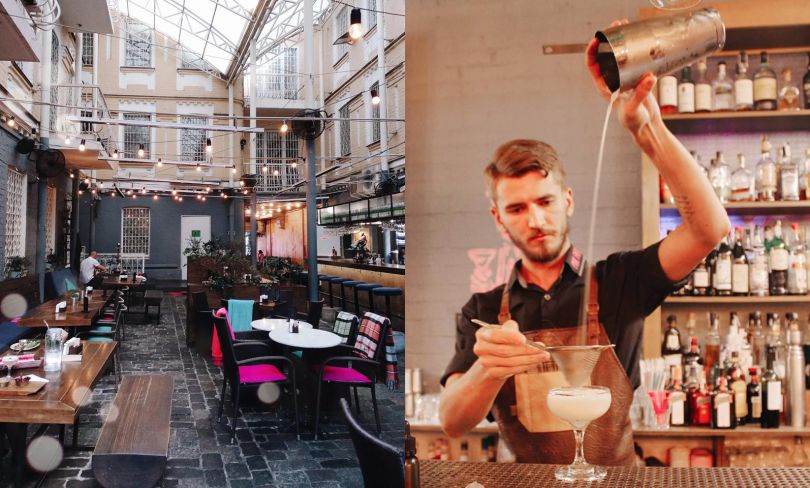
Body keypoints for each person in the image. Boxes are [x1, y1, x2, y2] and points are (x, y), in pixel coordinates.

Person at [438, 20, 730, 466]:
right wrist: (488, 368)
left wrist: (645, 129)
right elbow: (453, 421)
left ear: (567, 201)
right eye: (517, 209)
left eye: (546, 200)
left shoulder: (620, 281)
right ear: (499, 219)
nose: (536, 219)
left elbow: (709, 229)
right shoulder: (482, 313)